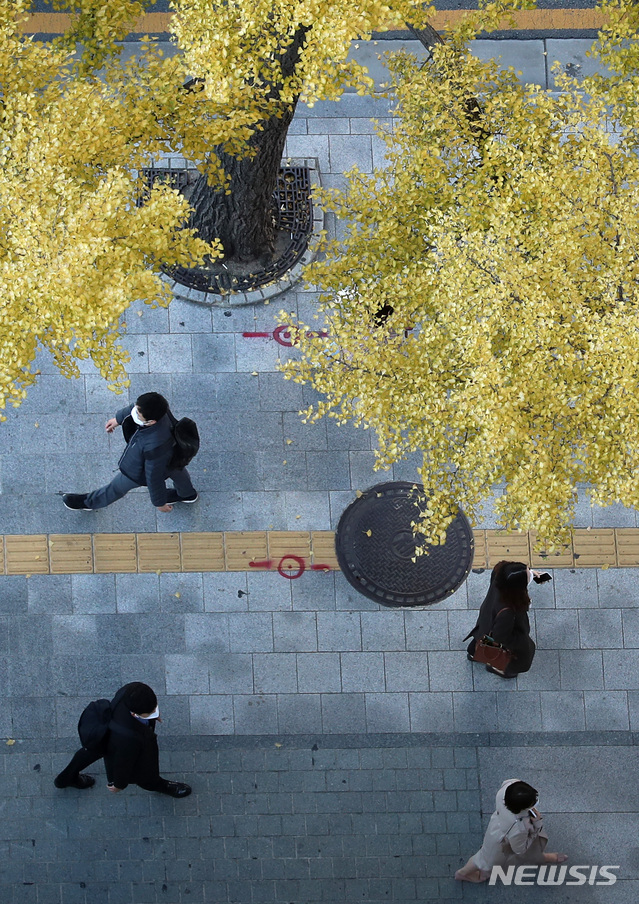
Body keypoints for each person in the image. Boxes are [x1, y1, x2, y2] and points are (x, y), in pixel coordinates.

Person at [62, 392, 198, 512]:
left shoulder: (154, 445)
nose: (134, 412)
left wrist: (160, 503)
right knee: (177, 470)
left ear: (151, 422)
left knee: (116, 487)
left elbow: (154, 478)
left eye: (138, 414)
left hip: (140, 471)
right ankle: (187, 494)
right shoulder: (158, 407)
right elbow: (137, 406)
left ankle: (89, 502)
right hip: (173, 456)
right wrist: (118, 419)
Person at [54, 682, 191, 798]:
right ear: (134, 713)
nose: (154, 713)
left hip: (107, 732)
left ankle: (65, 778)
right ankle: (159, 785)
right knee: (147, 776)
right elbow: (122, 763)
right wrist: (119, 784)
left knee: (92, 750)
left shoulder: (129, 692)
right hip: (120, 742)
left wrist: (152, 714)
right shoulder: (130, 739)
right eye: (149, 713)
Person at [455, 779, 567, 882]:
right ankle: (464, 873)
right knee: (485, 860)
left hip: (499, 826)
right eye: (533, 802)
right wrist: (537, 824)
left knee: (487, 857)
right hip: (503, 841)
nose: (536, 801)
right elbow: (520, 849)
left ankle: (542, 857)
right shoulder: (519, 828)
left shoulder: (507, 789)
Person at [464, 560, 539, 678]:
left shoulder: (499, 575)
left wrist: (528, 575)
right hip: (496, 631)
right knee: (520, 657)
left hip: (487, 618)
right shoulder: (509, 611)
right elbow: (501, 637)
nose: (530, 573)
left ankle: (473, 653)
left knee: (481, 635)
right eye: (528, 574)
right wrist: (521, 641)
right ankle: (497, 667)